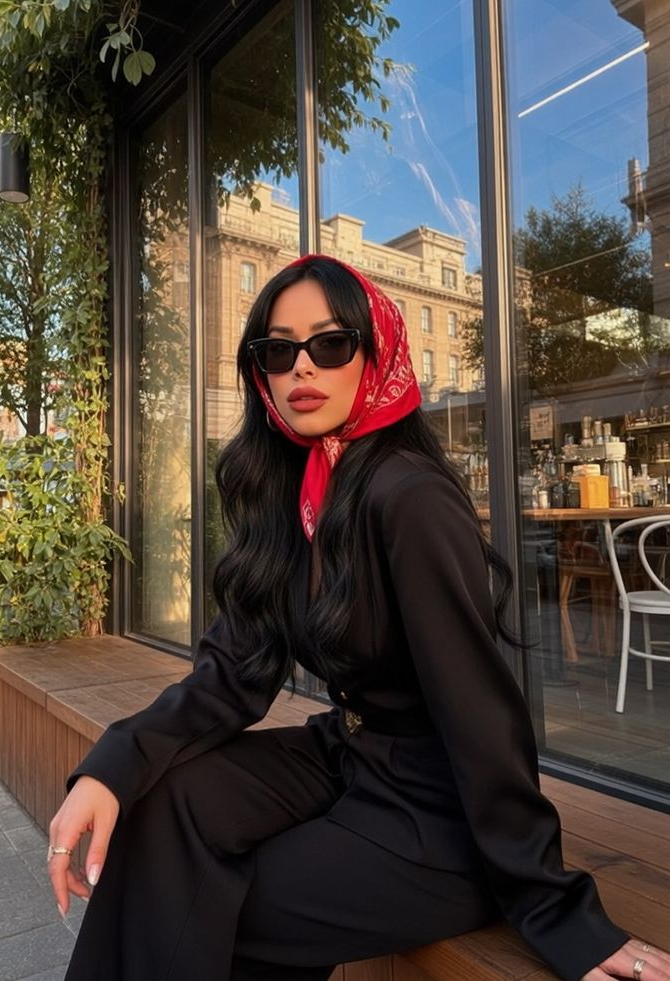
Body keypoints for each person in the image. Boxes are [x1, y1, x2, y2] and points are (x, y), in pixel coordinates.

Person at [49, 255, 669, 981]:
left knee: (215, 897)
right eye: (278, 351)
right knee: (164, 807)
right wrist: (111, 768)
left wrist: (558, 908)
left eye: (330, 344)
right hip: (349, 754)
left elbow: (481, 713)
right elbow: (233, 671)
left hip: (438, 811)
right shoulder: (296, 486)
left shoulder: (408, 496)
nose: (301, 368)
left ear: (375, 354)